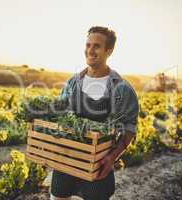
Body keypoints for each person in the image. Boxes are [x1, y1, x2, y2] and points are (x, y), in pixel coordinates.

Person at [50, 26, 139, 200]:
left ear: (109, 51)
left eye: (97, 46)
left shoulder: (121, 88)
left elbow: (130, 127)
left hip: (98, 164)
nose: (90, 50)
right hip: (66, 158)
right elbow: (61, 116)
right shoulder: (72, 83)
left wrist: (112, 157)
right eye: (88, 45)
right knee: (58, 196)